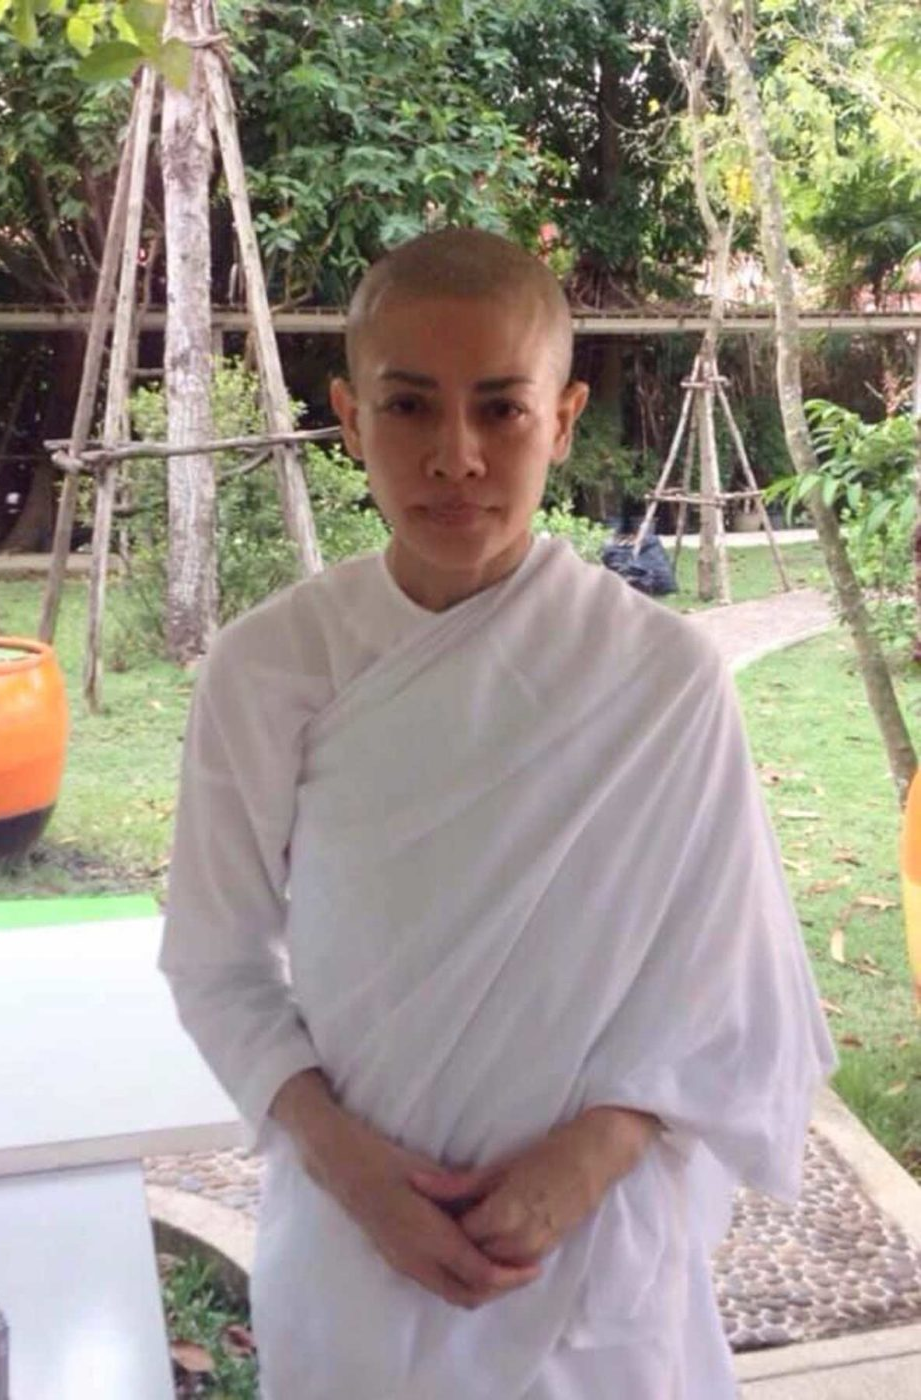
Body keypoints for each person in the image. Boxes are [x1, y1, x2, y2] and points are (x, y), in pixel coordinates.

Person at [159, 227, 835, 1400]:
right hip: (352, 1249)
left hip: (593, 1264)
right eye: (410, 406)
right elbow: (214, 960)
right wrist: (346, 1163)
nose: (456, 456)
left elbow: (730, 983)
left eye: (501, 409)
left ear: (562, 420)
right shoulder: (269, 667)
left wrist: (596, 1152)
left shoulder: (663, 679)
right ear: (350, 417)